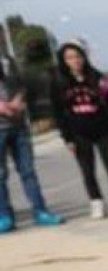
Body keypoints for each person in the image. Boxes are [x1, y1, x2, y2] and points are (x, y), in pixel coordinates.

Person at [50, 43, 108, 219]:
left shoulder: (99, 78)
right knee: (87, 169)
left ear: (84, 57)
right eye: (69, 58)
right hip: (78, 132)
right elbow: (58, 112)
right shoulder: (59, 82)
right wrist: (67, 137)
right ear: (64, 61)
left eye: (77, 56)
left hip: (103, 129)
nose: (75, 61)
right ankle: (96, 201)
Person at [0, 64, 63, 232]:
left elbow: (25, 86)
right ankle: (4, 216)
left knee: (28, 172)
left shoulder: (8, 66)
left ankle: (40, 211)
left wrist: (19, 100)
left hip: (19, 128)